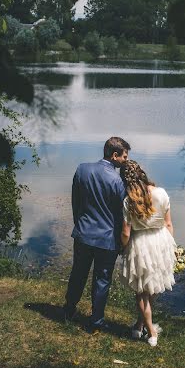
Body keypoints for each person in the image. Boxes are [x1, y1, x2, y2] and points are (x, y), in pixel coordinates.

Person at [63, 136, 130, 331]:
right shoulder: (118, 181)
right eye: (124, 156)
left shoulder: (82, 169)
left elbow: (76, 202)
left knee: (78, 273)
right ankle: (96, 321)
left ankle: (68, 309)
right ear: (115, 155)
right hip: (107, 239)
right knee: (102, 280)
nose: (125, 160)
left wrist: (79, 224)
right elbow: (121, 214)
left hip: (83, 233)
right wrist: (121, 241)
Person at [120, 160, 176, 347]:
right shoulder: (162, 193)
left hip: (142, 243)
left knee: (141, 292)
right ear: (143, 173)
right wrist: (171, 248)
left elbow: (126, 232)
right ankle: (139, 325)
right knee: (150, 287)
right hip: (161, 240)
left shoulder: (129, 201)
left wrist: (123, 248)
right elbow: (168, 224)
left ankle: (151, 333)